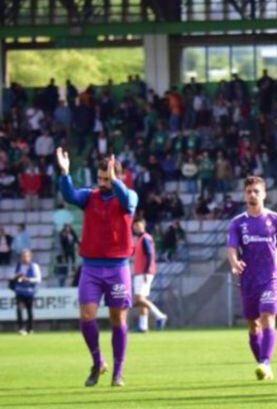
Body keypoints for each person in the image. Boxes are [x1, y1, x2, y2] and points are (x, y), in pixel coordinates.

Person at [58, 150, 138, 387]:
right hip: (91, 268)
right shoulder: (89, 197)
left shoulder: (129, 197)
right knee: (86, 316)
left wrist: (116, 182)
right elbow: (69, 195)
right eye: (101, 178)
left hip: (118, 268)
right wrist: (65, 173)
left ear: (117, 177)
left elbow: (126, 200)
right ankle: (98, 362)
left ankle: (118, 370)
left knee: (117, 318)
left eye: (108, 178)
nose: (102, 183)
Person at [227, 176, 277, 381]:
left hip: (270, 278)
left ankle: (265, 362)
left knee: (267, 317)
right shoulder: (238, 223)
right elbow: (231, 248)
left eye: (256, 191)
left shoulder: (276, 220)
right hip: (248, 280)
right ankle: (263, 365)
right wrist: (234, 262)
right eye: (249, 191)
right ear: (244, 194)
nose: (252, 195)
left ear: (264, 194)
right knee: (253, 325)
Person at [131, 218, 168, 332]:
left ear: (143, 225)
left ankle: (160, 315)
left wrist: (147, 271)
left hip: (143, 272)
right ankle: (143, 326)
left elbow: (150, 254)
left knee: (139, 299)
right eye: (134, 225)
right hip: (141, 272)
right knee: (143, 299)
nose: (136, 227)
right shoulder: (140, 239)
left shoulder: (145, 238)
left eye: (138, 225)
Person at [13, 249, 41, 335]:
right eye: (23, 256)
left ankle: (30, 329)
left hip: (30, 292)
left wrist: (28, 279)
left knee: (30, 311)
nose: (24, 258)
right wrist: (16, 276)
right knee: (19, 310)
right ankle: (21, 328)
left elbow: (38, 279)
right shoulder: (19, 265)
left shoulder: (34, 266)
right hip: (20, 291)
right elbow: (14, 277)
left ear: (30, 257)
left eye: (26, 256)